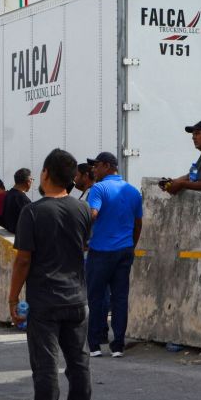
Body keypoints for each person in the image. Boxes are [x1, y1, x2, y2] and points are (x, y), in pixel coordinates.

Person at [9, 148, 93, 400]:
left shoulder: (32, 212)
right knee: (78, 361)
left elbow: (23, 260)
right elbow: (81, 246)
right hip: (77, 298)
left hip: (45, 300)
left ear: (45, 174)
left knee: (46, 364)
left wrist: (12, 298)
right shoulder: (82, 209)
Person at [85, 151, 143, 358]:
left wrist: (82, 235)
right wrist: (131, 245)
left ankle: (94, 345)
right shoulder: (133, 191)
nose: (94, 170)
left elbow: (93, 214)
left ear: (107, 166)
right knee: (120, 298)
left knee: (96, 297)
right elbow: (138, 224)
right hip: (124, 251)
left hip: (100, 251)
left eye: (96, 166)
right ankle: (118, 345)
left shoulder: (98, 189)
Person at [1, 168, 33, 234]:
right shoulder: (22, 198)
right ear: (28, 181)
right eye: (32, 180)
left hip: (9, 231)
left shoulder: (8, 194)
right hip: (19, 234)